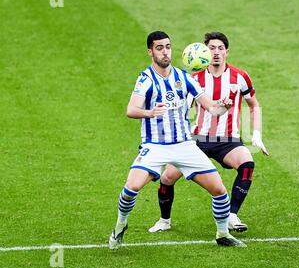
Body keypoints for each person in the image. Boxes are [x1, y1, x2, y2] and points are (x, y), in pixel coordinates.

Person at [108, 31, 246, 249]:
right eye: (160, 48)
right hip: (155, 146)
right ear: (150, 52)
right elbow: (131, 110)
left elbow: (211, 107)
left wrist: (224, 106)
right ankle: (120, 226)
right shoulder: (145, 79)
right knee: (132, 186)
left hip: (184, 145)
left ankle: (222, 234)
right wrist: (150, 113)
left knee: (219, 190)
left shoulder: (184, 78)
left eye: (168, 47)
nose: (165, 52)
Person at [149, 31, 268, 234]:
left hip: (229, 141)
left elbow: (253, 104)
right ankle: (164, 220)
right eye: (211, 48)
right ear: (205, 51)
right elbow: (181, 111)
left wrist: (256, 134)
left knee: (247, 164)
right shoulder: (193, 79)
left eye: (220, 48)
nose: (216, 52)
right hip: (197, 140)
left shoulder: (240, 77)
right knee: (167, 178)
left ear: (226, 52)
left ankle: (231, 215)